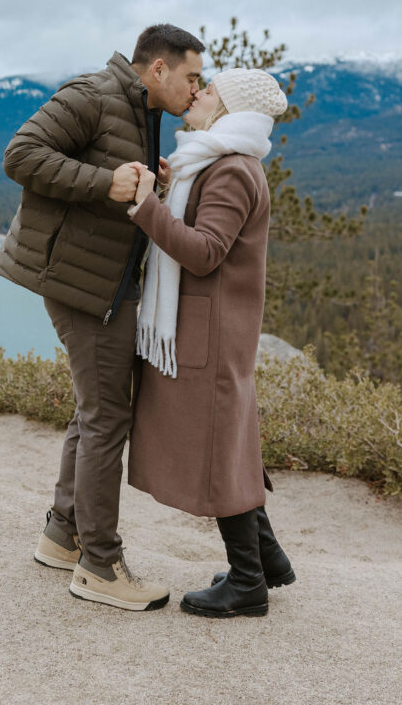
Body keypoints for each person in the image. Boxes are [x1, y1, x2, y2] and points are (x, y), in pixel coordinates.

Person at [0, 24, 205, 610]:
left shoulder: (140, 109)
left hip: (101, 281)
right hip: (80, 285)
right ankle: (100, 566)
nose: (197, 88)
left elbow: (112, 176)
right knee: (107, 416)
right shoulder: (91, 95)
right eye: (191, 76)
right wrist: (106, 182)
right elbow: (20, 155)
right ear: (157, 69)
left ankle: (64, 534)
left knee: (96, 411)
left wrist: (143, 179)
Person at [126, 67, 296, 618]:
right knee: (232, 441)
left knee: (222, 449)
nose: (196, 94)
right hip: (216, 326)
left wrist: (147, 206)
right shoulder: (222, 163)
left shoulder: (230, 171)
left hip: (211, 330)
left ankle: (248, 583)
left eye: (209, 91)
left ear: (228, 111)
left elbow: (204, 252)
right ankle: (265, 560)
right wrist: (175, 187)